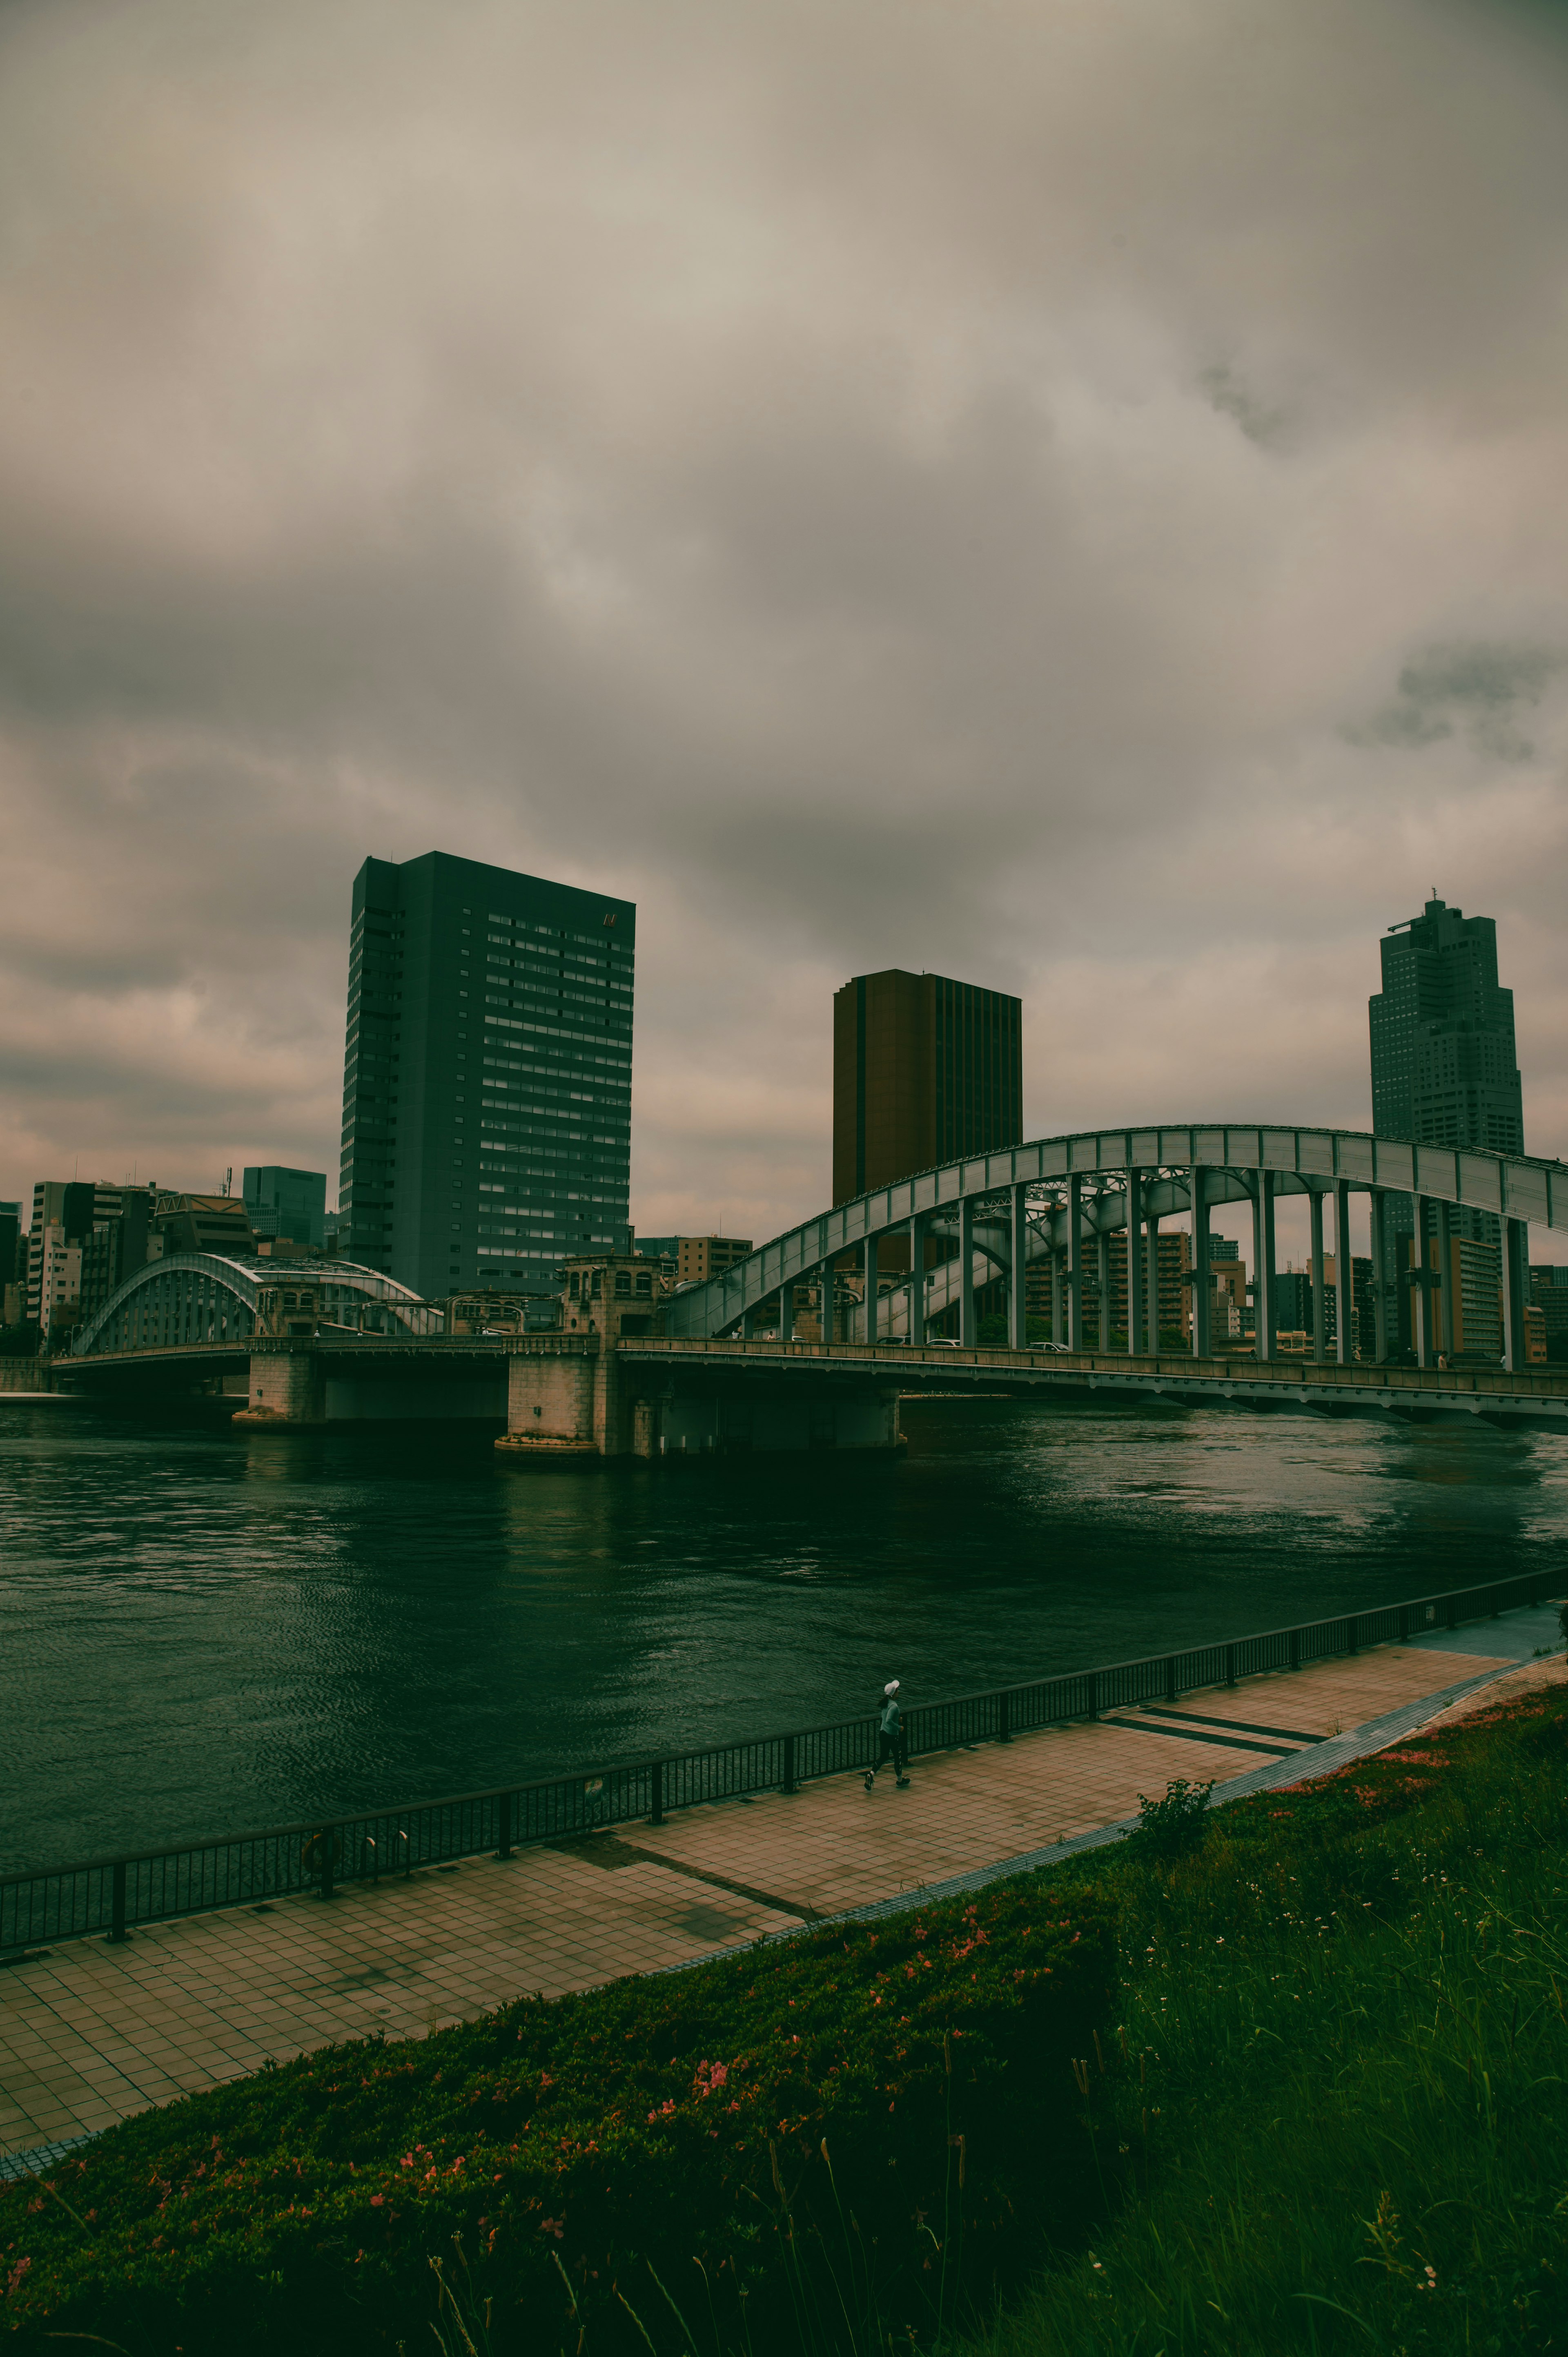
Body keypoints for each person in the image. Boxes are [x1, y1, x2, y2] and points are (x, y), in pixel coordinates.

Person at [864, 1679, 910, 1791]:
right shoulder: (894, 1706)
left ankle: (871, 1774)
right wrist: (900, 1727)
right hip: (892, 1736)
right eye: (898, 1690)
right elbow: (889, 1720)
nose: (899, 1692)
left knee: (884, 1756)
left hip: (883, 1733)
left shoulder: (885, 1704)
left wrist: (897, 1719)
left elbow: (885, 1718)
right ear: (895, 1693)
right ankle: (900, 1781)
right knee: (897, 1757)